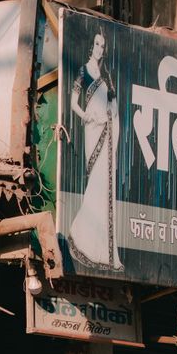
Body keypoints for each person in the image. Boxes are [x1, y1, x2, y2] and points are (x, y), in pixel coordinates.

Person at [68, 29, 123, 271]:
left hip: (108, 133)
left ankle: (105, 252)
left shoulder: (107, 75)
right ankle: (83, 238)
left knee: (105, 189)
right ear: (92, 46)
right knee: (96, 185)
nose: (99, 49)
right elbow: (73, 103)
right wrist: (87, 116)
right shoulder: (84, 71)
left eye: (103, 46)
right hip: (94, 132)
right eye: (97, 44)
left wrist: (110, 116)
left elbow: (113, 104)